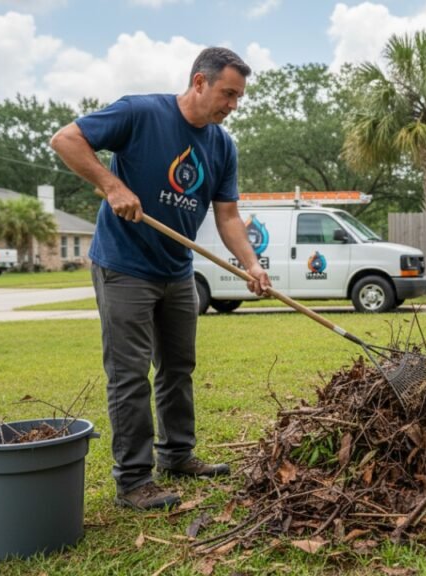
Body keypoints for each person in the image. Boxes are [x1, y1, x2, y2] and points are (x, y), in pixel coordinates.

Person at [50, 47, 271, 510]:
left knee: (177, 367)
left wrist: (251, 263)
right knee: (130, 375)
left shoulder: (222, 146)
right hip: (124, 265)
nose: (234, 105)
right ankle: (133, 480)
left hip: (177, 269)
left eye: (239, 97)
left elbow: (228, 216)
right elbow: (66, 139)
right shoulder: (141, 112)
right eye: (228, 93)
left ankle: (177, 455)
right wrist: (113, 185)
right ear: (199, 82)